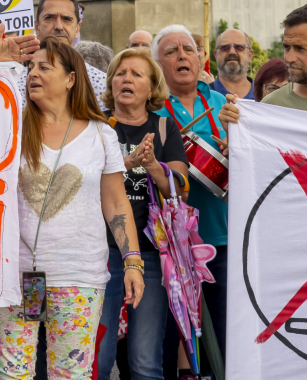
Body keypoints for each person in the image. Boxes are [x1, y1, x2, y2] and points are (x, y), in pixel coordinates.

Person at [0, 36, 141, 380]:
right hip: (14, 276)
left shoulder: (101, 134)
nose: (33, 73)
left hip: (79, 276)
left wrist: (132, 260)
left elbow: (116, 202)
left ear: (71, 78)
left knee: (71, 374)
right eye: (30, 67)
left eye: (45, 67)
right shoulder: (9, 128)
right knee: (9, 374)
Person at [97, 48, 189, 380]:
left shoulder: (164, 127)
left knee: (145, 363)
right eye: (121, 73)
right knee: (98, 360)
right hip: (101, 252)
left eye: (136, 74)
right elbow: (83, 180)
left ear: (151, 88)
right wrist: (127, 162)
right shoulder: (96, 123)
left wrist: (152, 165)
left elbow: (180, 188)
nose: (127, 79)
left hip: (151, 253)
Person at [149, 24, 228, 378]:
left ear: (200, 59)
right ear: (158, 65)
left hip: (221, 237)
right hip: (168, 246)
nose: (182, 55)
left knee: (223, 334)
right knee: (170, 336)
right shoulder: (151, 111)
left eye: (189, 49)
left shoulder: (224, 104)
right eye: (171, 51)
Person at [33, 0, 107, 98]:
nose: (59, 26)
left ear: (77, 29)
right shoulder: (17, 84)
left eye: (66, 19)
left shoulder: (102, 85)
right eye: (50, 18)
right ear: (37, 27)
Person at [211, 29, 254, 99]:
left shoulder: (265, 96)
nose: (232, 52)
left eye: (239, 47)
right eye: (225, 48)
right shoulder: (201, 97)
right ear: (216, 55)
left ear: (249, 55)